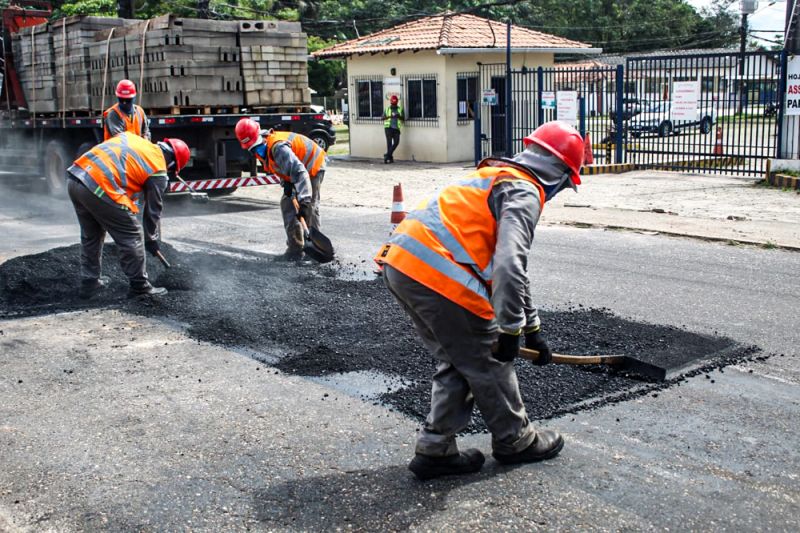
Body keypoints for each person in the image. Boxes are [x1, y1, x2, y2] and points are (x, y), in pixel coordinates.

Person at [374, 121, 585, 481]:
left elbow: (508, 266)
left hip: (402, 265)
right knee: (488, 357)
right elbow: (510, 265)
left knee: (459, 358)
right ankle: (516, 441)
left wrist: (533, 329)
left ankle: (435, 448)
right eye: (567, 182)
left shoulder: (494, 176)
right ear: (561, 172)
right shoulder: (525, 191)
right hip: (435, 274)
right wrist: (509, 330)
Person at [67, 132, 190, 298]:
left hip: (76, 178)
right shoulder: (158, 166)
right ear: (172, 162)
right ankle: (140, 286)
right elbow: (153, 210)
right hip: (98, 185)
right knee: (132, 234)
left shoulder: (136, 141)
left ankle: (90, 283)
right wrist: (151, 239)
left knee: (92, 234)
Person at [235, 118, 326, 261]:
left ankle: (316, 250)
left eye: (254, 145)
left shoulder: (278, 147)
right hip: (297, 169)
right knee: (287, 203)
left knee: (310, 208)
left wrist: (304, 201)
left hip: (312, 165)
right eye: (250, 147)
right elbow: (280, 166)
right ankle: (295, 249)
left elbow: (300, 172)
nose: (253, 149)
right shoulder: (259, 148)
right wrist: (287, 184)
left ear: (260, 136)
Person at [382, 95, 404, 164]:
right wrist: (389, 116)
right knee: (389, 144)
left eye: (395, 104)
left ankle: (387, 155)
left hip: (396, 128)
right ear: (391, 102)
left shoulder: (400, 109)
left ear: (397, 103)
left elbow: (403, 118)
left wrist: (399, 116)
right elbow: (382, 118)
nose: (394, 105)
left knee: (396, 142)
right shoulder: (387, 109)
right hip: (388, 128)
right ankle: (390, 158)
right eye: (393, 104)